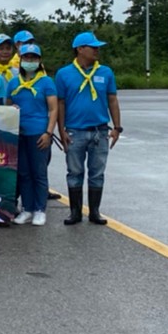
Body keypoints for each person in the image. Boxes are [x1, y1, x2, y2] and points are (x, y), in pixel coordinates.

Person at [55, 31, 122, 227]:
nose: (97, 50)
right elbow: (60, 103)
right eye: (93, 47)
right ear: (80, 49)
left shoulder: (105, 72)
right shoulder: (64, 74)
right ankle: (75, 212)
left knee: (97, 172)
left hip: (100, 131)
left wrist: (117, 127)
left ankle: (94, 211)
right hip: (75, 131)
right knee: (74, 171)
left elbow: (112, 100)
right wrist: (61, 130)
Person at [9, 44, 59, 226]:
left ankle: (39, 209)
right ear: (21, 60)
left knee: (39, 172)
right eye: (27, 58)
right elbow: (7, 106)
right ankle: (27, 208)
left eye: (34, 58)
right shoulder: (13, 83)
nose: (30, 61)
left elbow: (53, 109)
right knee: (23, 173)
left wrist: (48, 132)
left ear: (39, 61)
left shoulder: (46, 82)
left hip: (39, 133)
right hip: (19, 134)